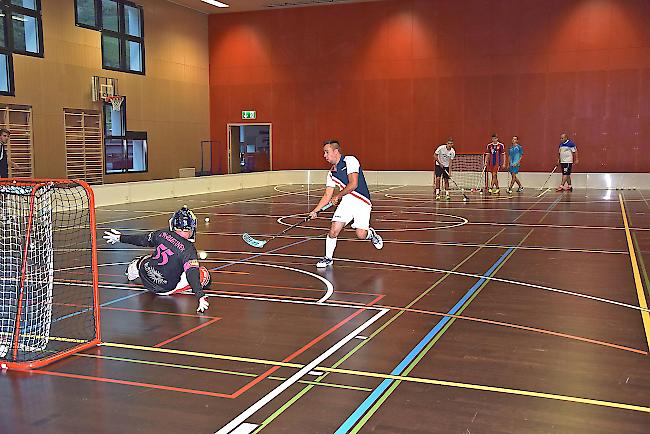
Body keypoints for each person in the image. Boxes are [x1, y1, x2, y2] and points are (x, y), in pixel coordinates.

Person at [103, 206, 211, 312]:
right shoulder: (189, 249)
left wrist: (120, 238)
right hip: (164, 288)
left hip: (146, 275)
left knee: (146, 259)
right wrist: (199, 294)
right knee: (203, 273)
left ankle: (132, 271)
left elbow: (141, 240)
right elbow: (192, 272)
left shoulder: (162, 233)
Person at [309, 139, 383, 268]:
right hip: (347, 201)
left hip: (362, 201)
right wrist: (315, 211)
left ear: (336, 151)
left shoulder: (350, 161)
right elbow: (327, 195)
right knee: (333, 231)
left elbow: (353, 184)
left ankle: (371, 234)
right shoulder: (331, 174)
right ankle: (328, 258)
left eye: (327, 152)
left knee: (361, 234)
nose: (324, 156)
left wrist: (338, 196)